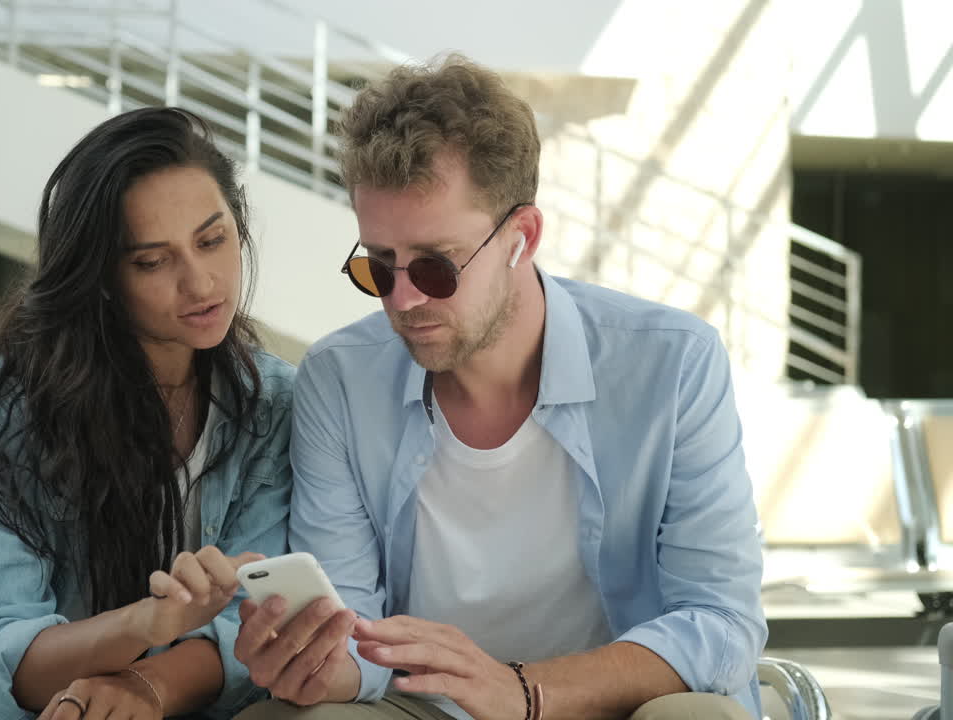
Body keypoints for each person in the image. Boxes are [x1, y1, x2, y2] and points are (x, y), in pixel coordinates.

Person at [234, 56, 766, 720]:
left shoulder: (673, 363)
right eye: (378, 265)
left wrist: (521, 688)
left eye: (435, 266)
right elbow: (352, 625)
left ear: (523, 236)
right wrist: (315, 667)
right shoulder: (340, 379)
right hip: (423, 707)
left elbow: (720, 620)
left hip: (613, 702)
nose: (401, 299)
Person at [0, 107, 294, 720]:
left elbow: (249, 631)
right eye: (153, 261)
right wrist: (148, 623)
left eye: (212, 239)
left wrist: (146, 688)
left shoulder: (270, 404)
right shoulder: (15, 408)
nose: (201, 282)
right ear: (100, 278)